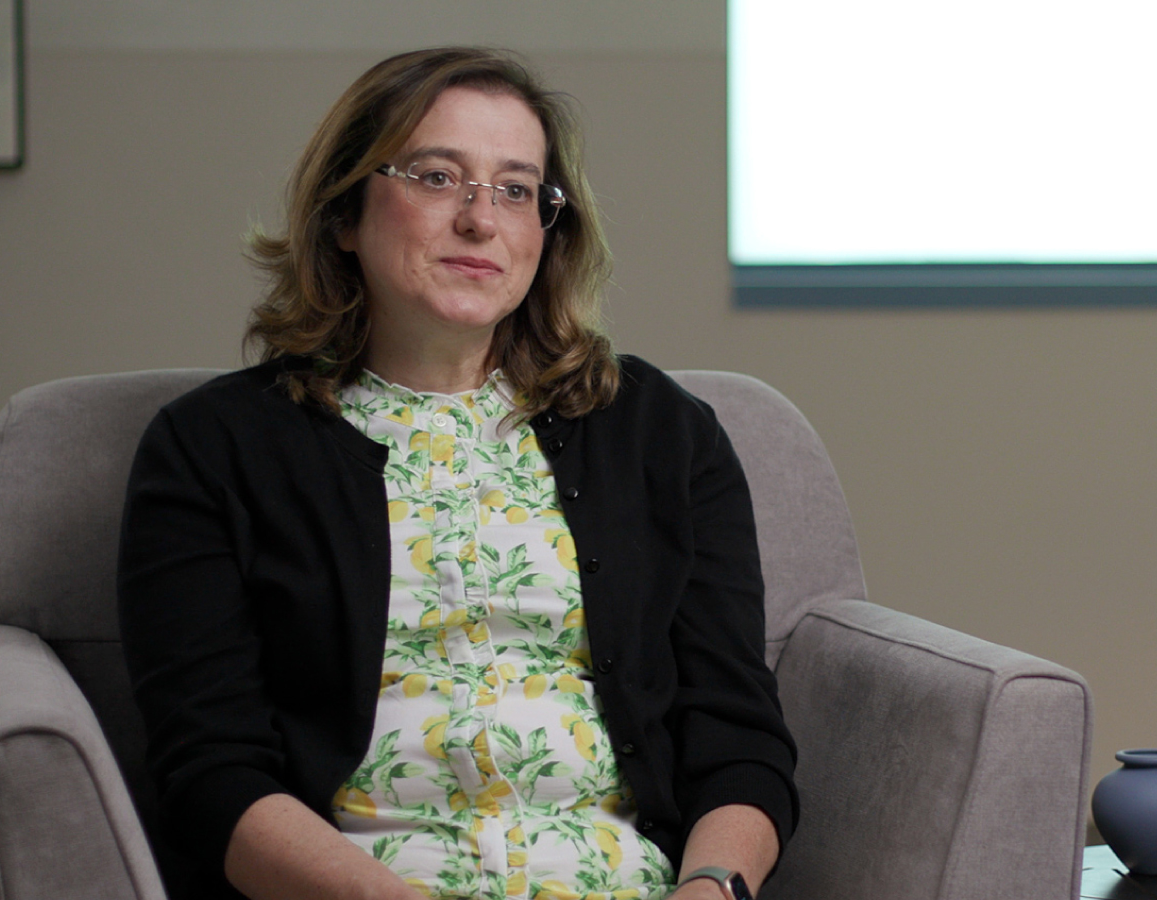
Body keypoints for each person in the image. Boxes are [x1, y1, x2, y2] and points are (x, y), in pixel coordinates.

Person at [118, 47, 796, 900]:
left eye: (516, 189)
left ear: (547, 231)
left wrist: (709, 888)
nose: (481, 220)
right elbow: (209, 773)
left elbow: (739, 741)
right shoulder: (215, 447)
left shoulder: (661, 432)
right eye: (438, 178)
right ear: (344, 213)